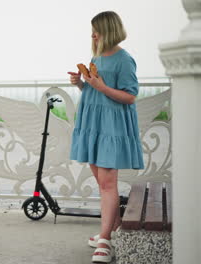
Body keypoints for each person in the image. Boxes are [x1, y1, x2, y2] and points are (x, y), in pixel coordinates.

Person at [67, 11, 144, 263]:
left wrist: (100, 86)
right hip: (93, 124)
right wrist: (81, 83)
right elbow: (95, 88)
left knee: (108, 184)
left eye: (96, 30)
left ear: (107, 30)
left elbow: (130, 96)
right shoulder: (96, 56)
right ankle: (112, 230)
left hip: (111, 127)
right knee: (102, 183)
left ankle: (105, 241)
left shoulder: (125, 60)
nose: (92, 35)